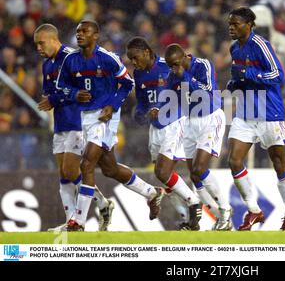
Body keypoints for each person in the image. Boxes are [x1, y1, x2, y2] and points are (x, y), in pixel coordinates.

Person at [56, 20, 164, 231]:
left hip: (105, 116)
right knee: (109, 168)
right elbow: (61, 86)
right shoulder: (71, 60)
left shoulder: (108, 59)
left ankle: (77, 222)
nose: (79, 35)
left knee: (86, 165)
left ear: (96, 35)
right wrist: (75, 93)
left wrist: (112, 105)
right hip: (86, 116)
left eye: (84, 31)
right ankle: (152, 193)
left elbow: (128, 83)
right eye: (77, 32)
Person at [34, 23, 113, 232]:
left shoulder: (71, 58)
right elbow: (51, 91)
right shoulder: (47, 64)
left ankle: (94, 208)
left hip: (77, 120)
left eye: (41, 43)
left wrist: (54, 98)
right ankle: (73, 220)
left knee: (71, 170)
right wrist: (51, 98)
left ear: (53, 39)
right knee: (63, 173)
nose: (38, 48)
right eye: (36, 45)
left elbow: (84, 90)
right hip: (60, 122)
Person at [227, 7, 285, 231]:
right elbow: (239, 76)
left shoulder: (261, 45)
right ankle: (254, 210)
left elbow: (279, 75)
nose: (231, 27)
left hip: (269, 112)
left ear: (249, 24)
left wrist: (251, 75)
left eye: (236, 24)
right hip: (245, 114)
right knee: (234, 160)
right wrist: (234, 84)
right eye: (230, 24)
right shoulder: (234, 48)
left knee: (279, 163)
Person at [126, 37, 203, 231]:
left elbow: (183, 93)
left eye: (135, 58)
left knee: (162, 171)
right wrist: (141, 113)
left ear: (146, 52)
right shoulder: (138, 74)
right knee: (164, 177)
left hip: (175, 123)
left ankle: (194, 202)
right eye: (130, 60)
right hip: (156, 128)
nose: (134, 63)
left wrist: (163, 107)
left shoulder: (166, 66)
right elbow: (143, 103)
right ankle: (187, 218)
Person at [164, 43, 232, 231]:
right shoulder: (173, 74)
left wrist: (184, 76)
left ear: (185, 57)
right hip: (190, 122)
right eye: (171, 65)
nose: (174, 69)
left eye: (176, 64)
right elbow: (167, 95)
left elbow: (207, 93)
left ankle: (226, 210)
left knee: (200, 169)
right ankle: (218, 219)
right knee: (194, 175)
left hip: (210, 118)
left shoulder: (203, 65)